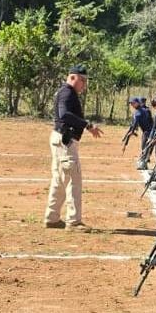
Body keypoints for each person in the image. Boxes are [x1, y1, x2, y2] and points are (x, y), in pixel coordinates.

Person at [44, 64, 103, 231]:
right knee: (73, 180)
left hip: (61, 139)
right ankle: (74, 221)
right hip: (65, 141)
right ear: (72, 77)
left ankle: (52, 217)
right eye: (82, 80)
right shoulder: (67, 93)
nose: (84, 84)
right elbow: (64, 115)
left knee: (59, 181)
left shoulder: (66, 92)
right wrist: (87, 125)